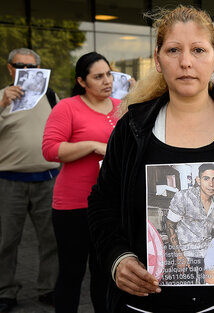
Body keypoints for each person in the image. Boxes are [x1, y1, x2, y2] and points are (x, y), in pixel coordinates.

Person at [87, 5, 214, 313]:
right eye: (174, 50)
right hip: (149, 303)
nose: (186, 62)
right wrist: (117, 257)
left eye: (198, 50)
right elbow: (102, 203)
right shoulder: (133, 128)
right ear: (158, 59)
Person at [42, 51, 120, 313]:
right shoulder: (68, 107)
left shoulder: (123, 107)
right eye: (98, 77)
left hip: (110, 206)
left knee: (105, 275)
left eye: (108, 74)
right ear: (82, 81)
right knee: (71, 274)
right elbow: (51, 150)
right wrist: (92, 146)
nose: (107, 80)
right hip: (73, 206)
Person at [0, 48, 59, 312]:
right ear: (10, 68)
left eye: (32, 67)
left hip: (47, 179)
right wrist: (2, 103)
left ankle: (48, 288)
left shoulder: (50, 96)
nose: (27, 72)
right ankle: (5, 291)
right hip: (9, 180)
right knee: (6, 240)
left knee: (51, 239)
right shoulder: (1, 97)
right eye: (20, 66)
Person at [166, 163, 214, 284]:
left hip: (208, 253)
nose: (211, 184)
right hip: (186, 254)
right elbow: (169, 225)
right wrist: (179, 256)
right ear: (198, 180)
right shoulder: (183, 197)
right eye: (206, 178)